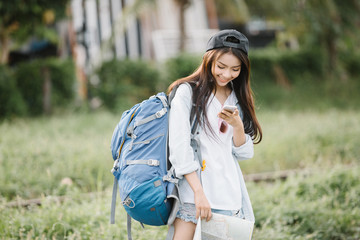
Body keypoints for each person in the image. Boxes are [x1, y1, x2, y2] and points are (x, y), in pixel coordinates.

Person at [167, 29, 262, 240]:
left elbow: (245, 153)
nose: (227, 75)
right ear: (208, 59)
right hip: (193, 196)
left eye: (235, 69)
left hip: (230, 197)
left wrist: (237, 125)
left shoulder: (238, 98)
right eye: (221, 67)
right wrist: (199, 193)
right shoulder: (187, 93)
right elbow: (179, 149)